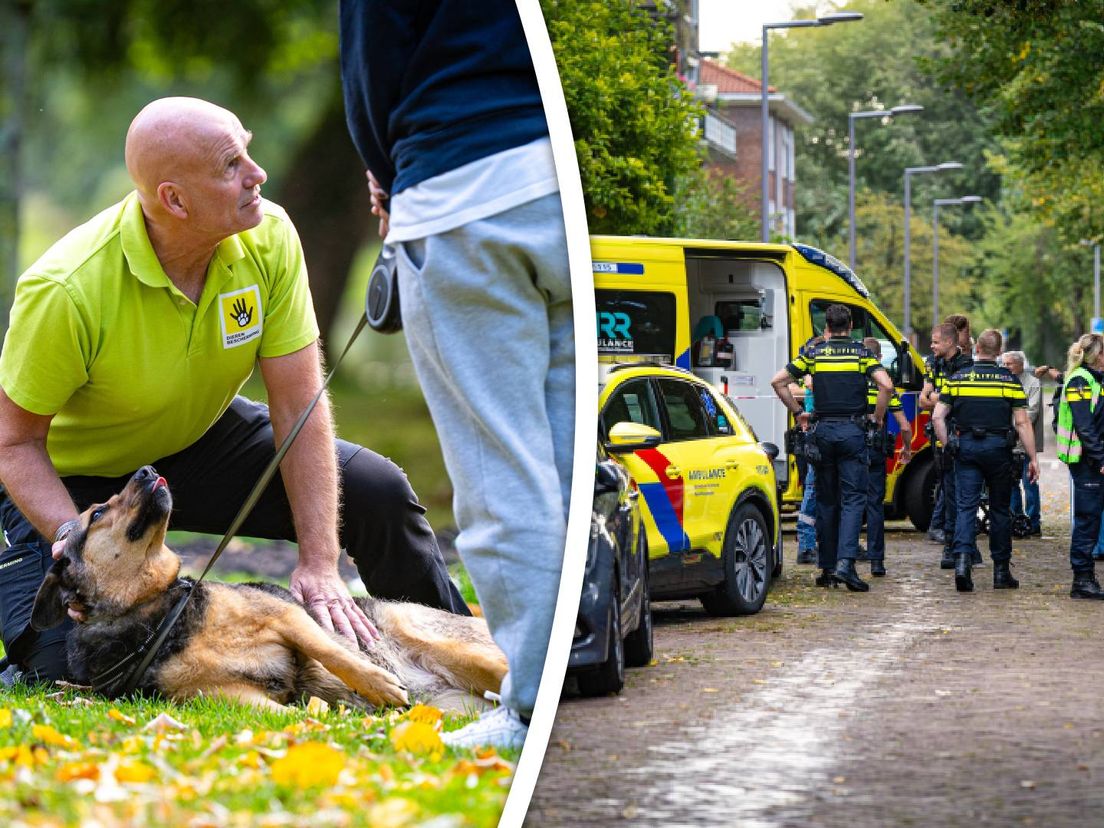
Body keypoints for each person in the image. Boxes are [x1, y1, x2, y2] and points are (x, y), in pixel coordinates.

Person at [0, 97, 469, 685]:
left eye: (247, 150)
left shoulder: (268, 235)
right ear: (175, 199)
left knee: (376, 491)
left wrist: (320, 563)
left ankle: (465, 653)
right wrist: (75, 541)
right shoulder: (66, 289)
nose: (258, 174)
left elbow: (297, 404)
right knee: (70, 671)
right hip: (78, 482)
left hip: (198, 436)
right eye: (231, 165)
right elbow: (14, 444)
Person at [340, 0, 574, 748]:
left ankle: (532, 707)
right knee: (567, 469)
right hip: (560, 180)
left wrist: (387, 167)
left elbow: (372, 57)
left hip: (463, 182)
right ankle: (583, 667)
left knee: (502, 471)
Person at [771, 305, 893, 592]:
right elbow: (886, 386)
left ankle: (826, 568)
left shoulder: (814, 354)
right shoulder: (861, 354)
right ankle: (845, 564)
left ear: (826, 326)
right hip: (852, 432)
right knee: (852, 499)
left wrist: (799, 412)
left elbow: (778, 382)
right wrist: (875, 418)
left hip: (822, 432)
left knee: (826, 500)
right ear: (850, 326)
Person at [933, 329, 1038, 592]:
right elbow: (1023, 422)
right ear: (999, 353)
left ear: (976, 348)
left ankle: (961, 564)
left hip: (966, 447)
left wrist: (950, 446)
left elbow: (937, 417)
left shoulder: (957, 378)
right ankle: (1001, 572)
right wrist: (1033, 457)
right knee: (1000, 510)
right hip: (998, 450)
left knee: (966, 507)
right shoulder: (1009, 380)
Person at [920, 321, 973, 570]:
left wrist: (938, 397)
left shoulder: (966, 365)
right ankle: (955, 545)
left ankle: (958, 546)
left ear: (950, 342)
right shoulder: (934, 363)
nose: (931, 346)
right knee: (947, 489)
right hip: (939, 435)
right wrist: (941, 399)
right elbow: (923, 400)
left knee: (960, 492)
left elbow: (960, 400)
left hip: (959, 434)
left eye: (935, 341)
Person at [1056, 334, 1104, 599]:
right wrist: (1101, 459)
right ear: (1098, 356)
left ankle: (1086, 578)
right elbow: (1085, 427)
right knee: (1087, 520)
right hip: (1086, 461)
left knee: (1093, 519)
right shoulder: (1079, 381)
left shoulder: (1096, 380)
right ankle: (1082, 580)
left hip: (1094, 458)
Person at [861, 338, 913, 577]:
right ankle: (876, 561)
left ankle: (845, 558)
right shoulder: (886, 388)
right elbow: (904, 425)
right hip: (876, 449)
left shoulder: (854, 384)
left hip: (852, 449)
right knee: (875, 505)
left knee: (847, 502)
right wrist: (907, 448)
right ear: (880, 359)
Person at [1002, 350, 1043, 535]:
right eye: (1003, 363)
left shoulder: (1033, 383)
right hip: (1007, 441)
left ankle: (1034, 522)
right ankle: (1016, 518)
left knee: (1029, 482)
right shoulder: (1003, 381)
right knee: (1011, 482)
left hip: (1025, 441)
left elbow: (1031, 411)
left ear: (1019, 364)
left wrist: (1013, 426)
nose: (1005, 367)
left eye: (1009, 364)